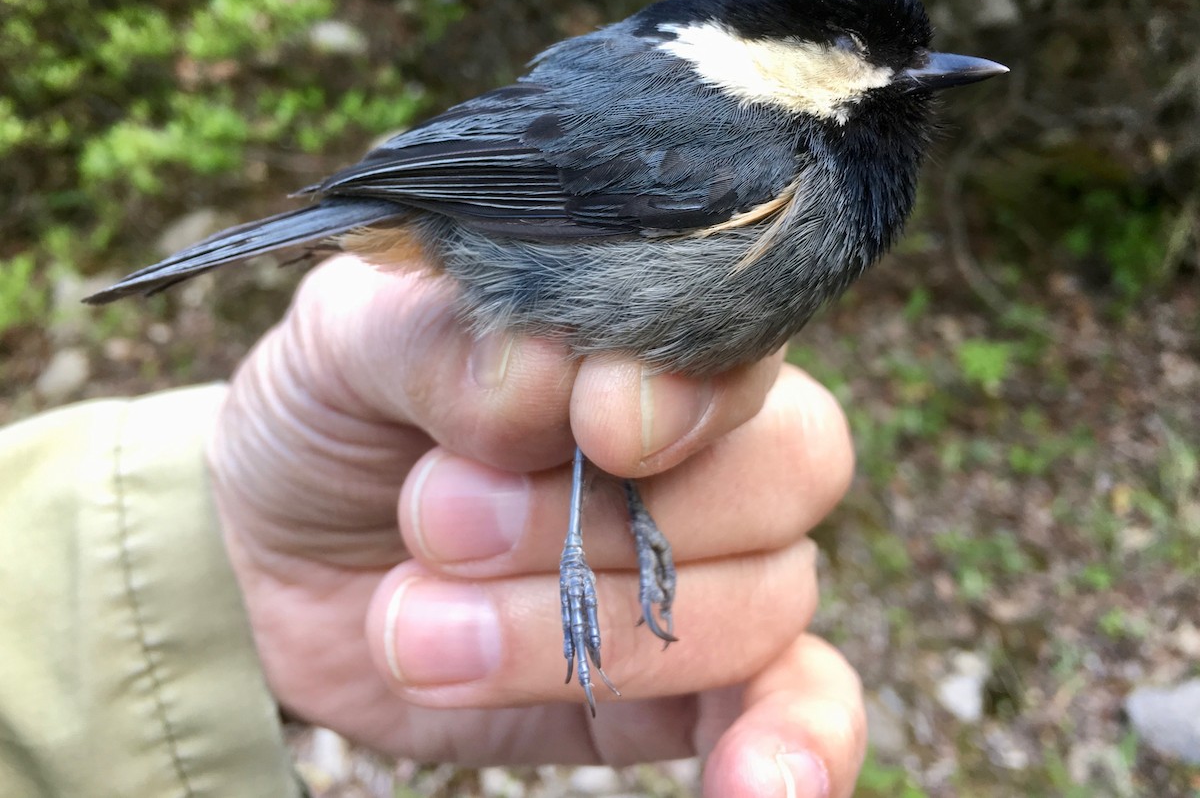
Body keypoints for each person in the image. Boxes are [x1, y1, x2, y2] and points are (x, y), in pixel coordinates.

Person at [0, 256, 865, 798]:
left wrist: (189, 547)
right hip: (509, 259)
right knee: (585, 400)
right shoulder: (742, 145)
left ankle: (615, 520)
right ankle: (589, 538)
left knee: (610, 410)